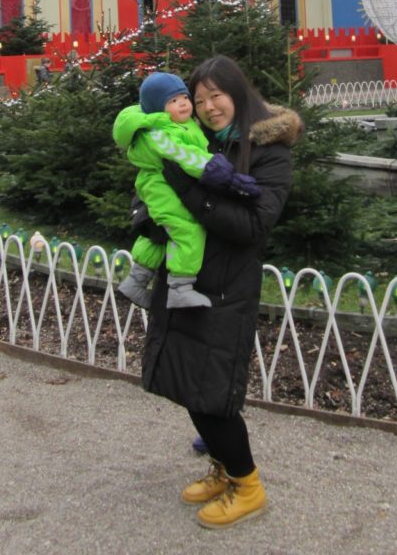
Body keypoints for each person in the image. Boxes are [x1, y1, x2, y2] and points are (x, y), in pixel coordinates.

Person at [138, 55, 303, 530]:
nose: (209, 106)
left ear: (239, 93)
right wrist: (152, 208)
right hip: (187, 280)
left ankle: (247, 485)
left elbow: (253, 225)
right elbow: (157, 185)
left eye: (218, 95)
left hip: (226, 289)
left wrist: (189, 194)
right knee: (188, 385)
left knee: (211, 393)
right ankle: (224, 469)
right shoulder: (194, 138)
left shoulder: (269, 150)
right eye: (200, 97)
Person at [113, 71, 259, 310]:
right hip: (162, 190)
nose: (183, 104)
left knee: (159, 235)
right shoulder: (160, 132)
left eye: (185, 98)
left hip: (161, 190)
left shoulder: (179, 125)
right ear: (157, 109)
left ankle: (136, 280)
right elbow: (186, 157)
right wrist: (222, 173)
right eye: (173, 101)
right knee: (187, 231)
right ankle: (180, 288)